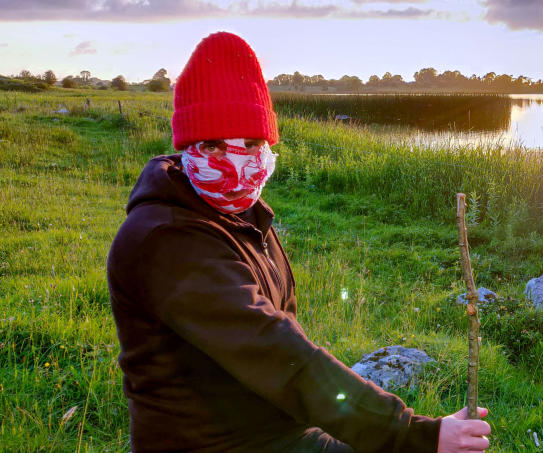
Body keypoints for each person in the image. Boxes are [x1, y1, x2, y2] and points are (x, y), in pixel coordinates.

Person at [106, 31, 491, 452]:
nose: (236, 165)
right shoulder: (167, 240)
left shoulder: (241, 217)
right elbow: (278, 354)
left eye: (252, 144)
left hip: (277, 432)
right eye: (215, 146)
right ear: (186, 148)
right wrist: (416, 435)